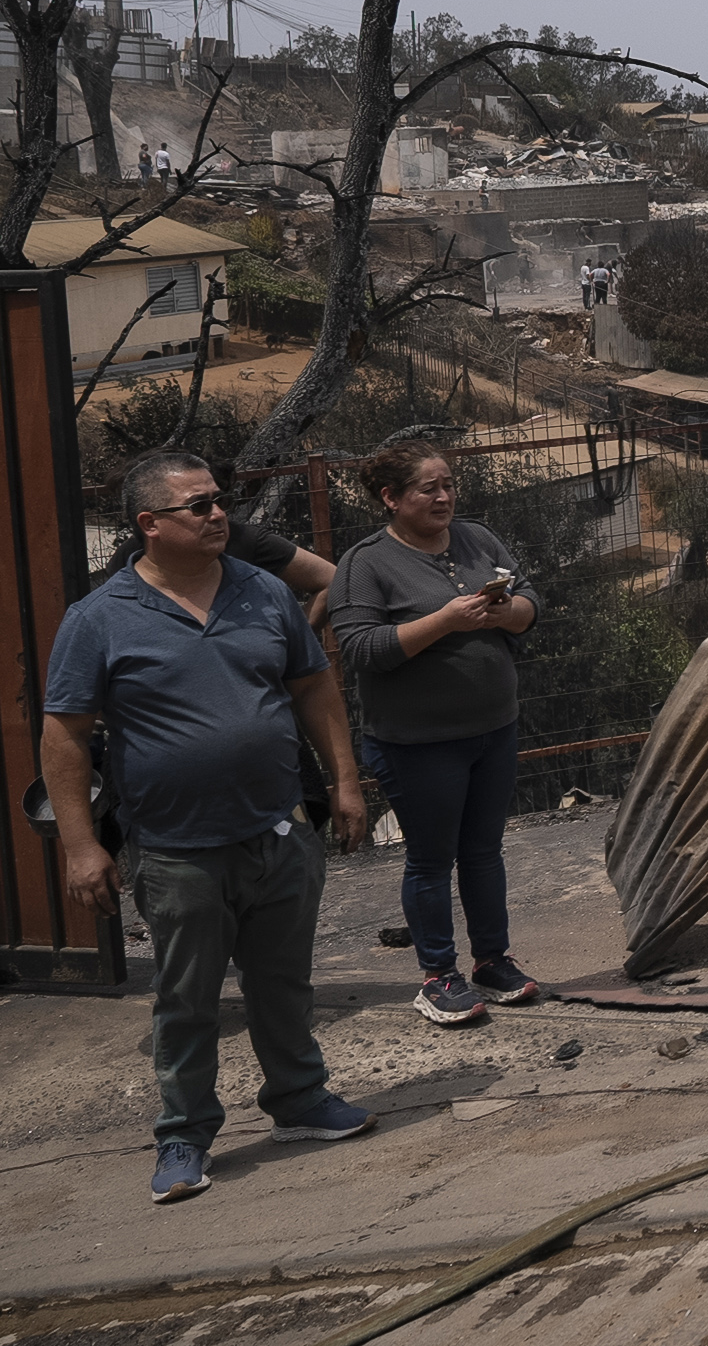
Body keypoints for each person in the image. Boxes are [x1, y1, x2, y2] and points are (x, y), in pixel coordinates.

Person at [42, 451, 376, 1205]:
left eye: (219, 501)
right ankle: (184, 1135)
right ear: (149, 525)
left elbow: (313, 685)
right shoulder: (98, 619)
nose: (218, 513)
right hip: (174, 849)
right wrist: (80, 843)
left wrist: (345, 781)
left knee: (283, 980)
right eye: (197, 506)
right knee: (187, 998)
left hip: (278, 830)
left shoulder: (262, 592)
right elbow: (63, 734)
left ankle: (299, 1100)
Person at [331, 442, 542, 1027]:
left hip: (493, 730)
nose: (444, 497)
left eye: (448, 484)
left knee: (483, 851)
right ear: (391, 498)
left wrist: (505, 612)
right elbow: (363, 649)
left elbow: (530, 602)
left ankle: (492, 961)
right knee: (430, 860)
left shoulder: (478, 537)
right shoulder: (365, 563)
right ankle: (438, 975)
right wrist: (446, 620)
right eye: (428, 488)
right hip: (417, 744)